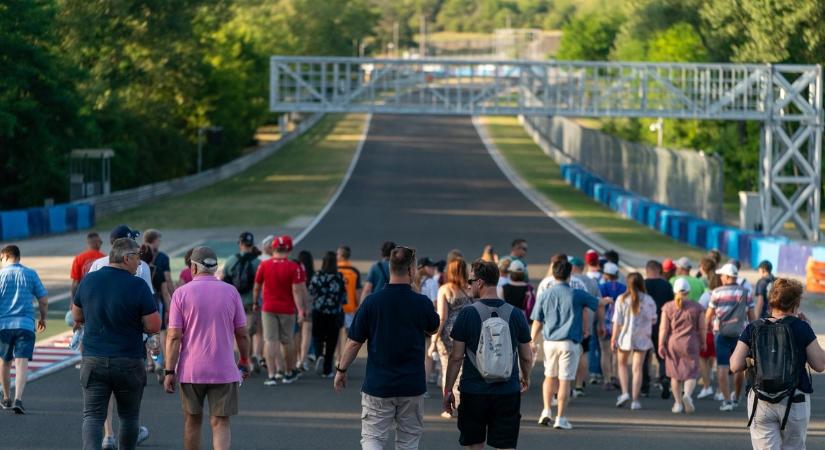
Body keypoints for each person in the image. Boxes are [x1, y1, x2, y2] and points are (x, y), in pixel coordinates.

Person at [334, 246, 439, 450]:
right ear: (411, 270)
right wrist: (415, 290)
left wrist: (341, 369)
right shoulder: (421, 302)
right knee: (408, 441)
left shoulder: (372, 302)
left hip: (379, 384)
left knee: (373, 437)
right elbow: (434, 327)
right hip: (411, 385)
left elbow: (354, 341)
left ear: (391, 267)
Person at [72, 238, 161, 450]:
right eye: (138, 257)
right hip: (128, 358)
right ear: (126, 257)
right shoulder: (137, 284)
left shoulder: (89, 280)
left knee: (92, 416)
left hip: (94, 358)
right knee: (129, 416)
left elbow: (77, 315)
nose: (140, 263)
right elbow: (154, 325)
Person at [163, 246, 250, 450]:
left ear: (193, 267)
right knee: (221, 422)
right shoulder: (231, 291)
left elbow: (174, 336)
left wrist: (168, 370)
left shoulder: (181, 294)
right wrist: (244, 360)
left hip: (191, 370)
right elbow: (243, 333)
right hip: (224, 369)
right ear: (214, 267)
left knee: (192, 421)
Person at [443, 260, 533, 448]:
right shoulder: (515, 314)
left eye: (471, 280)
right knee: (504, 444)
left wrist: (448, 389)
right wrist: (525, 377)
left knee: (475, 443)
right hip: (507, 390)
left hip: (473, 390)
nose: (468, 285)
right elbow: (526, 355)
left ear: (480, 282)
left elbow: (456, 357)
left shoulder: (467, 314)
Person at [730, 278, 825, 450]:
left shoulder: (753, 327)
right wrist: (807, 330)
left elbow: (735, 365)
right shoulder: (801, 327)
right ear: (796, 304)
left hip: (761, 399)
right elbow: (819, 364)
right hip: (795, 399)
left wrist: (753, 360)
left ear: (771, 302)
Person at [530, 260, 605, 430]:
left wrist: (531, 341)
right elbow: (596, 303)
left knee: (549, 376)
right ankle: (561, 417)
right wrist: (606, 301)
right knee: (565, 381)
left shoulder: (545, 294)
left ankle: (546, 410)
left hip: (549, 342)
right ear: (570, 274)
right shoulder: (576, 294)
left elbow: (537, 322)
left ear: (553, 274)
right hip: (569, 343)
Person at [253, 235, 307, 386]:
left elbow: (257, 286)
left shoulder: (264, 265)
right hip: (287, 309)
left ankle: (271, 374)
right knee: (287, 341)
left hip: (268, 307)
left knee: (270, 341)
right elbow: (297, 291)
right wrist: (301, 310)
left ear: (273, 248)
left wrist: (256, 302)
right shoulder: (293, 267)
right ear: (289, 249)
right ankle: (288, 372)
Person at [0, 245, 48, 414]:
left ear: (6, 256)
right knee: (21, 362)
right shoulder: (30, 273)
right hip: (26, 325)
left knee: (5, 362)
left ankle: (6, 397)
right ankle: (18, 399)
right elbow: (43, 299)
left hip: (3, 325)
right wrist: (43, 318)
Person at [705, 262, 755, 411]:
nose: (720, 278)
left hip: (721, 333)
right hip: (741, 334)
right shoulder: (746, 292)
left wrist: (705, 330)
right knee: (739, 367)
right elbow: (752, 317)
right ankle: (736, 397)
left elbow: (708, 315)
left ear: (727, 277)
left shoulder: (716, 293)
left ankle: (726, 401)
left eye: (721, 276)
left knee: (722, 366)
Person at [430, 258, 473, 419]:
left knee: (448, 368)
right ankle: (465, 403)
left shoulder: (445, 289)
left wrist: (433, 341)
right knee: (465, 368)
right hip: (469, 332)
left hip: (449, 334)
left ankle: (449, 406)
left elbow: (442, 317)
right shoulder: (471, 289)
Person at [658, 278, 706, 414]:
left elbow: (663, 328)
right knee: (691, 373)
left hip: (673, 343)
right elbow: (702, 328)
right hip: (691, 342)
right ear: (689, 291)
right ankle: (688, 395)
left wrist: (661, 344)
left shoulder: (667, 307)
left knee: (675, 375)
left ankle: (678, 403)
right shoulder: (697, 307)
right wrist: (703, 342)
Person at [612, 272, 657, 410]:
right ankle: (635, 400)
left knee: (622, 365)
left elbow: (617, 322)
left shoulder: (621, 299)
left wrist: (614, 338)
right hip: (643, 337)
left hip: (625, 336)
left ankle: (625, 392)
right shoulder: (649, 300)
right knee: (637, 369)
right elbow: (654, 319)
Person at [221, 232, 262, 371]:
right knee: (248, 332)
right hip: (252, 301)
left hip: (234, 301)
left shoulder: (231, 260)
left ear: (240, 244)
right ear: (252, 245)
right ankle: (248, 359)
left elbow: (223, 279)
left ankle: (241, 360)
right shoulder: (257, 262)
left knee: (236, 332)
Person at [309, 251, 347, 377]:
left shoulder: (317, 275)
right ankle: (327, 370)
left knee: (317, 336)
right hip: (334, 313)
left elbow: (311, 292)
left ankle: (319, 354)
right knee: (332, 341)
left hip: (318, 310)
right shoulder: (339, 276)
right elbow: (343, 295)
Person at [643, 260, 674, 399]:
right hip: (662, 324)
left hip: (644, 325)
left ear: (646, 270)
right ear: (660, 271)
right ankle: (664, 377)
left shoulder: (642, 285)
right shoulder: (667, 285)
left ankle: (644, 386)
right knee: (662, 354)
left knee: (643, 356)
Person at [89, 225, 154, 293]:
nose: (135, 242)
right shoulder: (141, 266)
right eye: (133, 239)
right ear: (126, 243)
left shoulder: (97, 263)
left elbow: (88, 290)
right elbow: (150, 296)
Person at [569, 257, 599, 397]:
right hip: (587, 322)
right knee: (584, 353)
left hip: (569, 324)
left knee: (568, 354)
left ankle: (567, 384)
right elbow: (597, 302)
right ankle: (579, 385)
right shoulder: (591, 282)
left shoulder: (568, 281)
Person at [599, 262, 626, 391]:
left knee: (605, 352)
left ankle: (607, 379)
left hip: (605, 321)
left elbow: (599, 305)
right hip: (619, 323)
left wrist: (601, 323)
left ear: (605, 274)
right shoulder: (623, 287)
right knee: (617, 351)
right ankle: (616, 376)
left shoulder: (602, 287)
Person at [336, 245, 362, 366]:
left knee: (336, 332)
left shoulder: (335, 269)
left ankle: (337, 356)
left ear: (341, 255)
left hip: (337, 306)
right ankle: (345, 357)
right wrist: (357, 305)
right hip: (350, 306)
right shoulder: (354, 271)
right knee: (348, 334)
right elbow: (357, 291)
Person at [696, 273, 720, 400]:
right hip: (721, 330)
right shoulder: (726, 295)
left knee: (703, 359)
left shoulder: (706, 295)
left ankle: (707, 386)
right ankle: (720, 390)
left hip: (708, 330)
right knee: (719, 361)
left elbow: (700, 312)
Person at [70, 232, 105, 302]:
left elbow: (75, 283)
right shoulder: (104, 258)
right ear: (97, 243)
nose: (101, 244)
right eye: (101, 242)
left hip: (84, 296)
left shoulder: (78, 258)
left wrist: (73, 301)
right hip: (100, 297)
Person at [295, 250, 315, 373]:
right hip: (309, 305)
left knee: (296, 333)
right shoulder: (313, 275)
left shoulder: (296, 271)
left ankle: (297, 359)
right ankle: (303, 359)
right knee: (306, 334)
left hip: (296, 305)